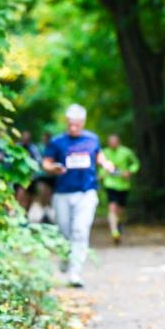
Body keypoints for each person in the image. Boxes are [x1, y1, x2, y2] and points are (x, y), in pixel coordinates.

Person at [42, 104, 117, 287]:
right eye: (70, 124)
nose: (73, 127)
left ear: (83, 122)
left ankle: (75, 273)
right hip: (62, 194)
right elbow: (46, 163)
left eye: (76, 124)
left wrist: (107, 164)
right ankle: (65, 258)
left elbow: (99, 156)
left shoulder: (92, 139)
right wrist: (54, 168)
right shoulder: (57, 142)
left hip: (86, 193)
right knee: (65, 232)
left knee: (80, 231)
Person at [99, 134, 140, 245]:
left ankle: (119, 224)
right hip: (110, 183)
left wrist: (130, 171)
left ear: (118, 142)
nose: (112, 145)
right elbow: (101, 166)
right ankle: (114, 231)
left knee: (120, 210)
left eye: (114, 143)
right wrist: (102, 174)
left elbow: (136, 163)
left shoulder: (126, 152)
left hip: (123, 185)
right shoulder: (104, 153)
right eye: (110, 143)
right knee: (112, 207)